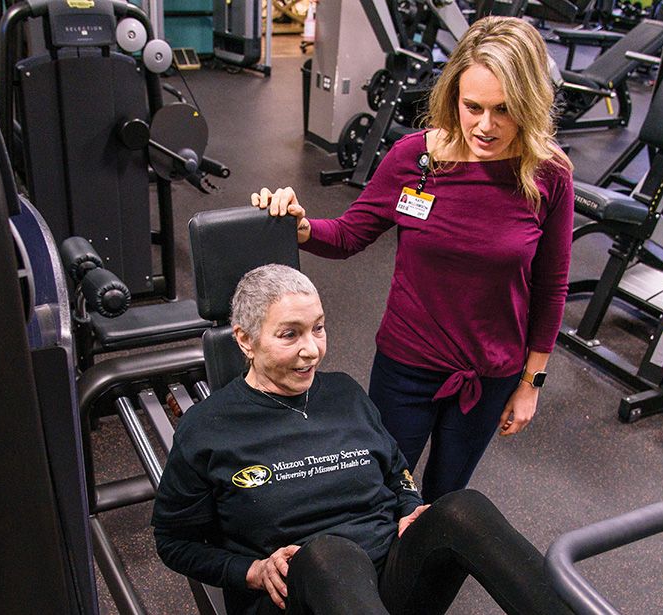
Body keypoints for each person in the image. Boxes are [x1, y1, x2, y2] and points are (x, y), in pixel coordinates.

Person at [251, 16, 574, 502]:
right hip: (407, 363)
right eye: (473, 107)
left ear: (530, 104)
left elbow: (552, 287)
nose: (485, 126)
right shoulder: (414, 159)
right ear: (455, 97)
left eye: (504, 110)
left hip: (489, 375)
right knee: (379, 489)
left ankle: (425, 578)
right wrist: (300, 226)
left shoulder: (549, 174)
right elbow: (347, 235)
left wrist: (531, 383)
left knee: (446, 499)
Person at [152, 264, 571, 615]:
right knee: (331, 554)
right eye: (289, 335)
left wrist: (409, 508)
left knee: (462, 507)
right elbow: (173, 542)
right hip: (297, 593)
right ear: (245, 339)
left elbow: (394, 469)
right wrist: (250, 571)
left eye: (318, 328)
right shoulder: (208, 428)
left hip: (388, 577)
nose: (312, 350)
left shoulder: (344, 392)